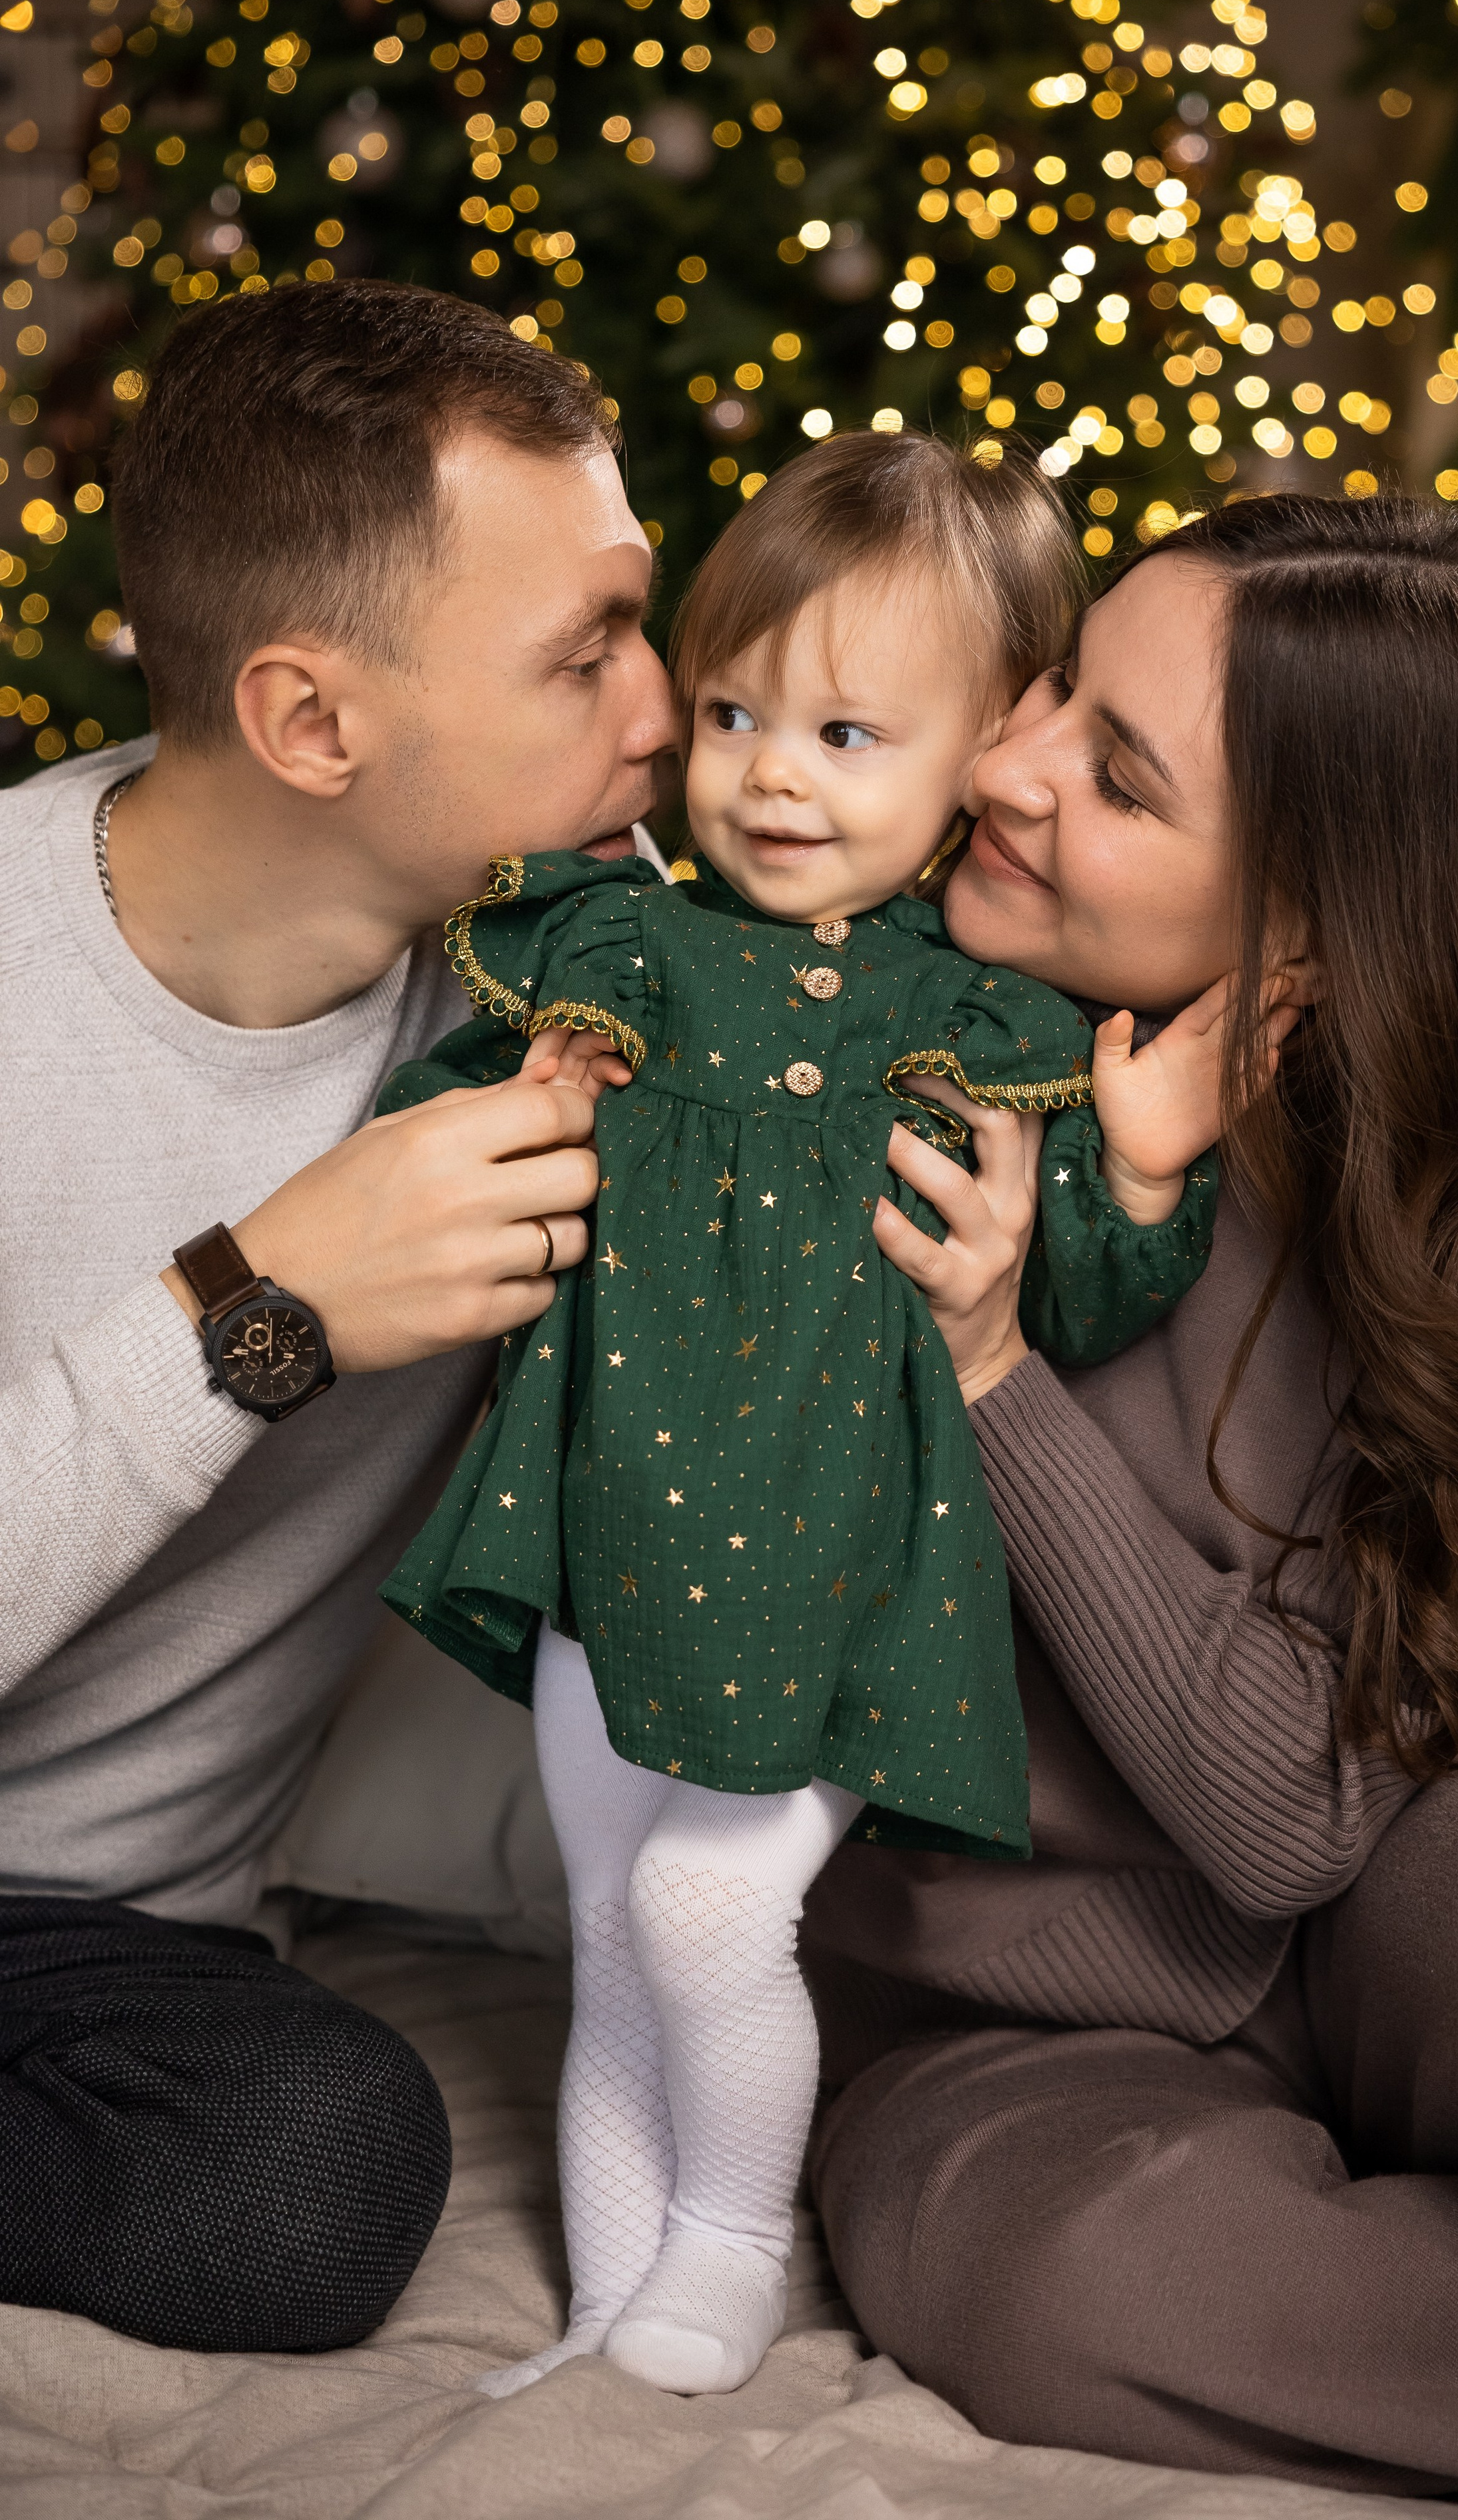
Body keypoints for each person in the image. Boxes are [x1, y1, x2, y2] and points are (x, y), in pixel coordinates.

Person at [802, 493, 1458, 2493]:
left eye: (1114, 776)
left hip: (1425, 1842)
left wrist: (992, 1380)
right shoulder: (861, 1058)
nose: (1006, 761)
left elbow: (1296, 1809)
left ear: (1311, 924)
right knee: (1078, 2299)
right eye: (1052, 690)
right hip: (1009, 1986)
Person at [379, 431, 1238, 2398]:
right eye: (742, 710)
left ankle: (730, 2243)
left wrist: (1145, 1176)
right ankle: (610, 2309)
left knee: (704, 1900)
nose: (770, 773)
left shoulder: (980, 1026)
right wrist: (495, 1119)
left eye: (852, 734)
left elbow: (1073, 1305)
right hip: (618, 1531)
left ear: (981, 762)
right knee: (604, 1913)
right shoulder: (618, 954)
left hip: (849, 1555)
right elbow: (425, 1163)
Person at [0, 278, 674, 2353]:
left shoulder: (564, 991)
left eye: (642, 620)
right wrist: (257, 1303)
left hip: (93, 1953)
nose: (663, 712)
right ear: (311, 725)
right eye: (585, 658)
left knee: (319, 2166)